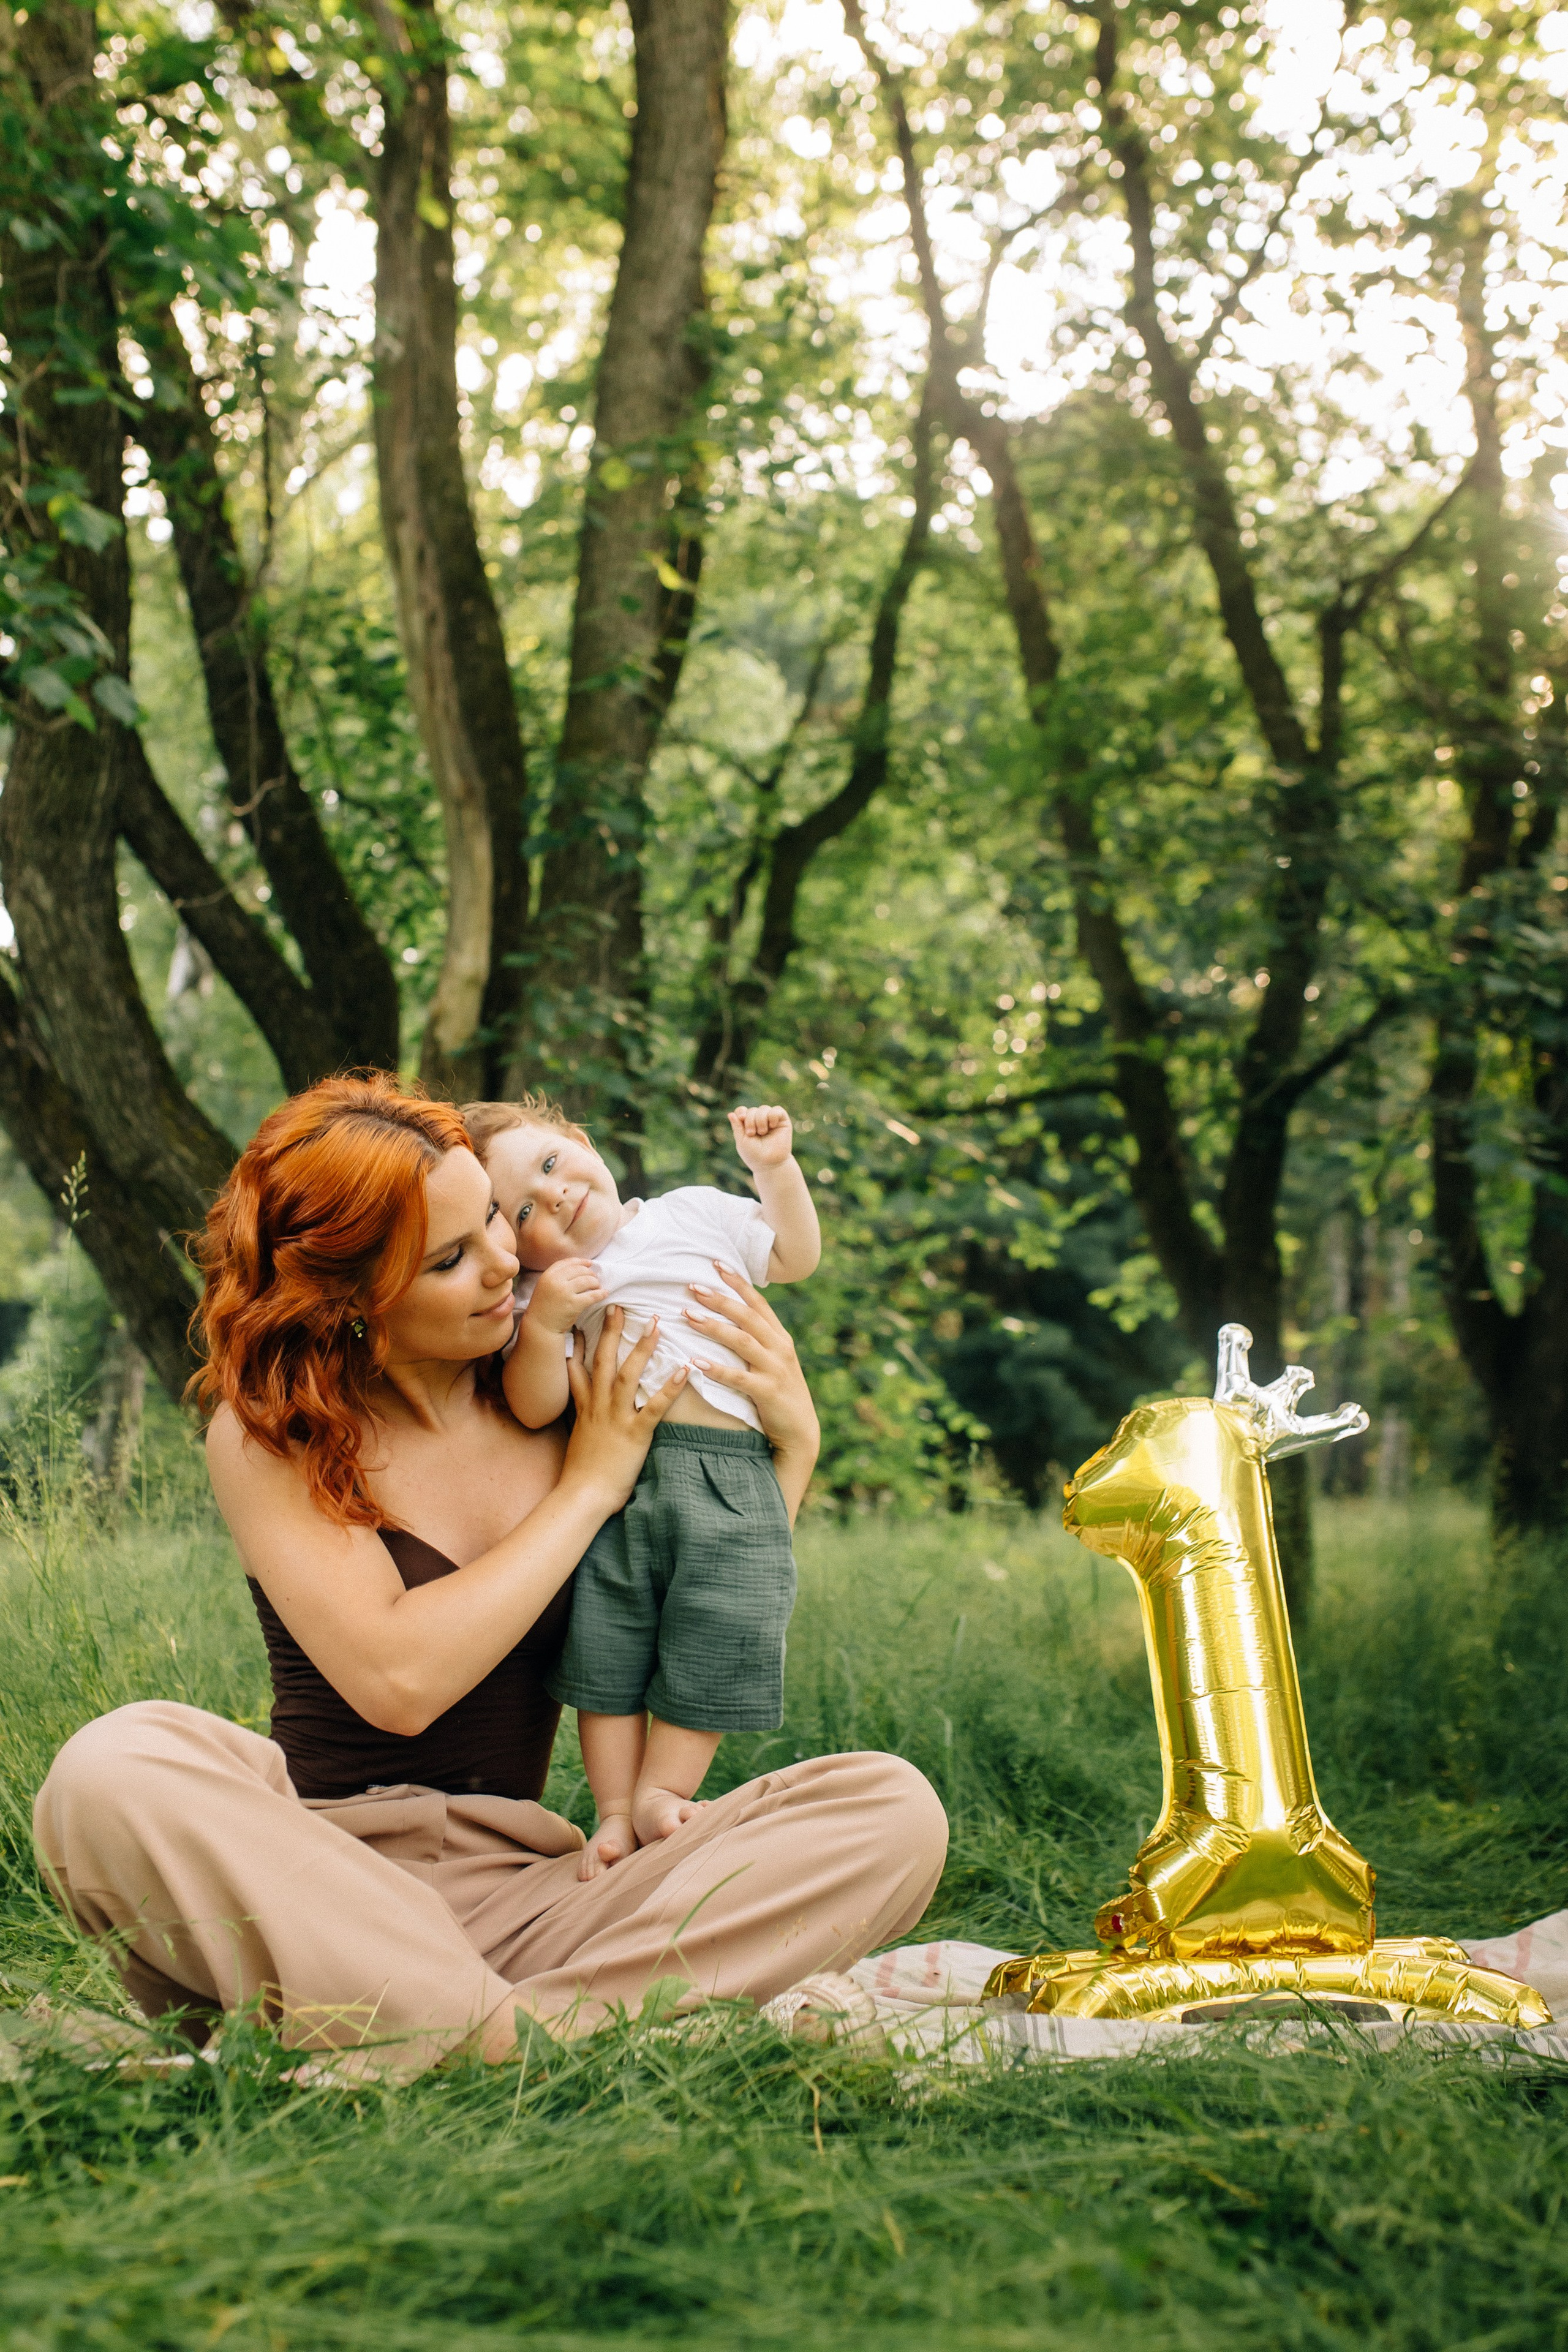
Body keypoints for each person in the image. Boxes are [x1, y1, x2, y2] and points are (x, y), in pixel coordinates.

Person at [31, 1076, 946, 2075]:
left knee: (887, 1809)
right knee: (112, 1766)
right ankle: (534, 2036)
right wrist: (587, 1490)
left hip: (535, 1900)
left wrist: (793, 1452)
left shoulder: (565, 1383)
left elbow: (707, 1581)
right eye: (451, 1258)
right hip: (310, 1888)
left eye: (494, 1224)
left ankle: (466, 2035)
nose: (508, 1263)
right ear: (350, 1302)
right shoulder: (275, 1434)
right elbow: (400, 1681)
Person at [466, 1095, 820, 1880]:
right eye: (523, 1210)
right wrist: (546, 1327)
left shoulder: (691, 1213)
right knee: (607, 1643)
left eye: (551, 1164)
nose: (554, 1195)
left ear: (583, 1141)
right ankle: (616, 1811)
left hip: (730, 1471)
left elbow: (794, 1256)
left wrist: (774, 1171)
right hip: (622, 1484)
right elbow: (536, 1406)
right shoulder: (546, 1291)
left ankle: (664, 1790)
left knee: (722, 1626)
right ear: (512, 1244)